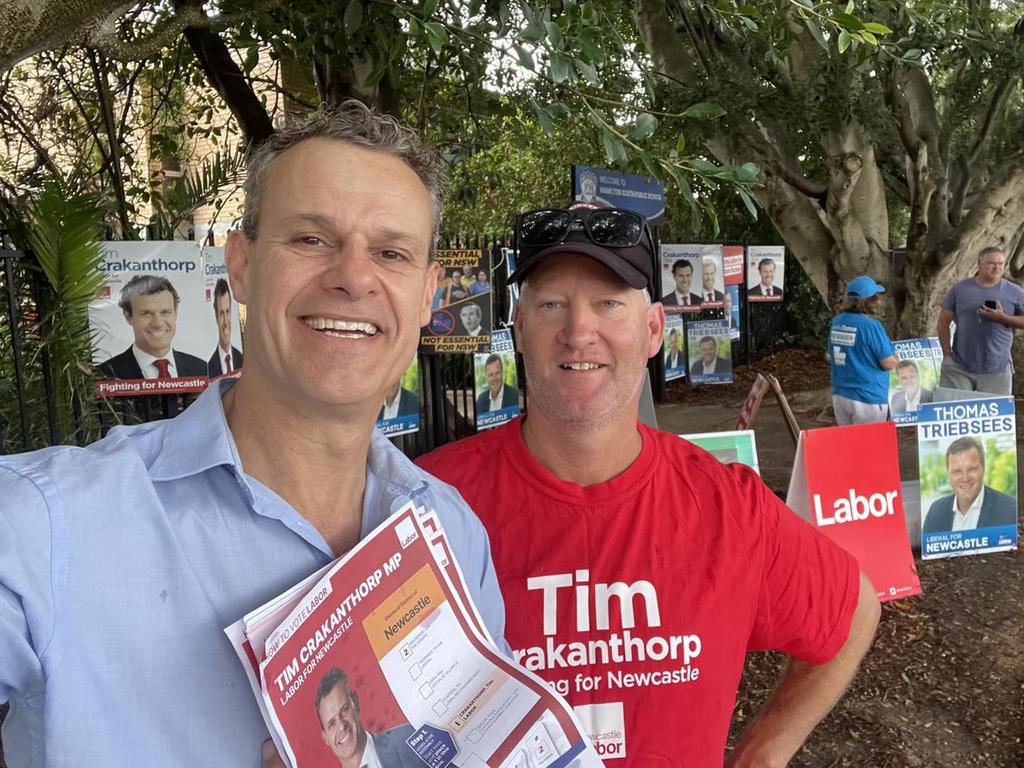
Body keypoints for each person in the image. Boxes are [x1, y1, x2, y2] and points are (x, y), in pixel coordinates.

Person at [0, 101, 506, 768]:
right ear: (240, 264)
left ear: (426, 294)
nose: (353, 277)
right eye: (311, 239)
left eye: (391, 252)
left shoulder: (452, 532)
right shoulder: (47, 523)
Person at [417, 201, 880, 766]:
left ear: (654, 329)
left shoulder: (728, 506)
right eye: (552, 304)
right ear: (519, 327)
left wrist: (765, 752)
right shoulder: (430, 506)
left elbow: (852, 609)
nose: (578, 330)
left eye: (608, 303)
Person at [936, 246, 1024, 395]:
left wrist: (1003, 318)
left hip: (997, 366)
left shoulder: (1015, 291)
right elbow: (943, 322)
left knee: (994, 416)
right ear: (979, 264)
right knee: (957, 414)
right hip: (959, 365)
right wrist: (946, 354)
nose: (997, 267)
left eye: (1001, 263)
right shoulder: (960, 289)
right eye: (991, 263)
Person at [97, 274, 208, 378]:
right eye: (146, 313)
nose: (158, 323)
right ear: (128, 317)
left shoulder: (202, 369)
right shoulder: (104, 376)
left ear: (176, 313)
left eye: (165, 312)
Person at [828, 275, 899, 426]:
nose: (879, 300)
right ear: (869, 301)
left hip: (840, 394)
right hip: (868, 397)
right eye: (876, 296)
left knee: (850, 446)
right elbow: (888, 363)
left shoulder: (837, 321)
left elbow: (829, 356)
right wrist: (897, 360)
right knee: (869, 447)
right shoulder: (871, 326)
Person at [315, 668, 418, 768]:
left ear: (355, 702)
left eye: (345, 710)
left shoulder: (409, 736)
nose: (341, 726)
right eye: (332, 724)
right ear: (325, 738)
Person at [922, 437, 1017, 533]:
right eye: (957, 471)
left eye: (972, 469)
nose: (965, 478)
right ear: (948, 474)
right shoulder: (936, 511)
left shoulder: (1012, 510)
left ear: (983, 468)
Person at [208, 277, 245, 376]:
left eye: (227, 312)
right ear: (216, 316)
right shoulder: (208, 368)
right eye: (221, 313)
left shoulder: (243, 360)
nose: (225, 322)